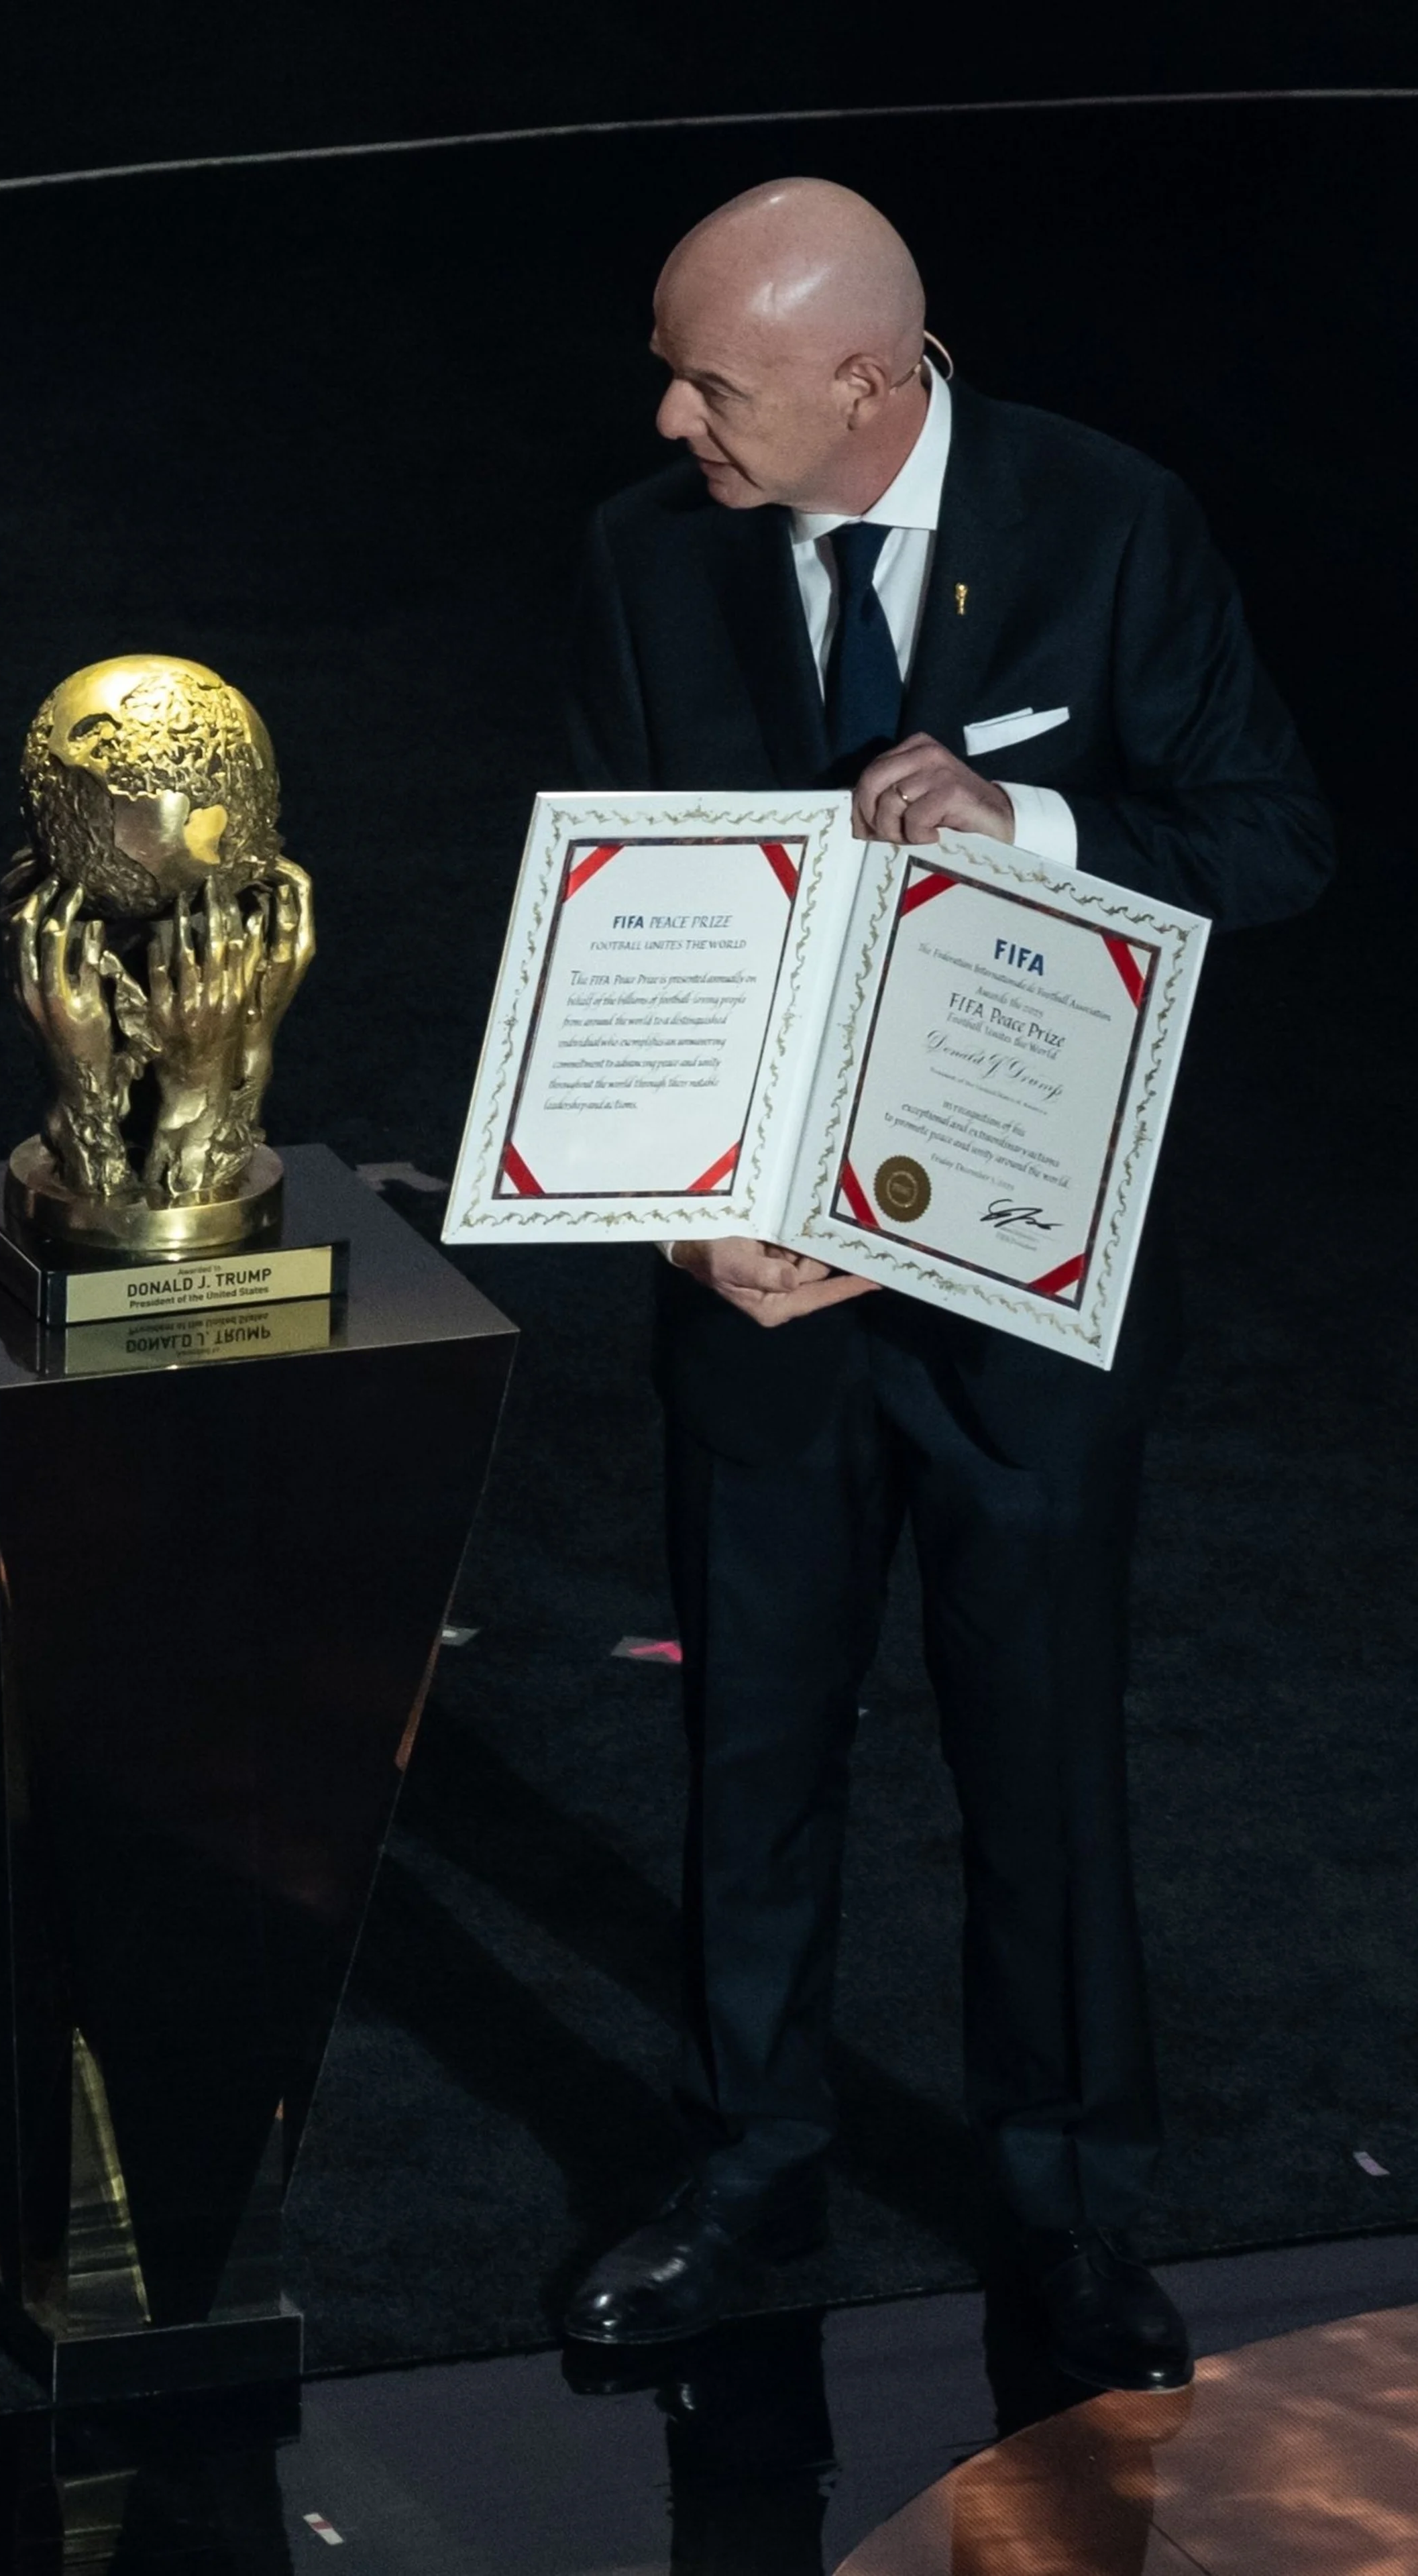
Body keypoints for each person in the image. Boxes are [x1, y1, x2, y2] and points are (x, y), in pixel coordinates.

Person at [549, 178, 1331, 2388]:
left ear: (872, 382)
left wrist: (1037, 835)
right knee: (755, 1740)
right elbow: (637, 911)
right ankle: (744, 2164)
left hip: (1020, 1294)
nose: (676, 412)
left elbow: (1271, 836)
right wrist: (688, 1207)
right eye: (675, 367)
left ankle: (1063, 2207)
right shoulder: (646, 551)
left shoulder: (1109, 527)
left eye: (717, 380)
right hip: (764, 1281)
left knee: (1040, 1744)